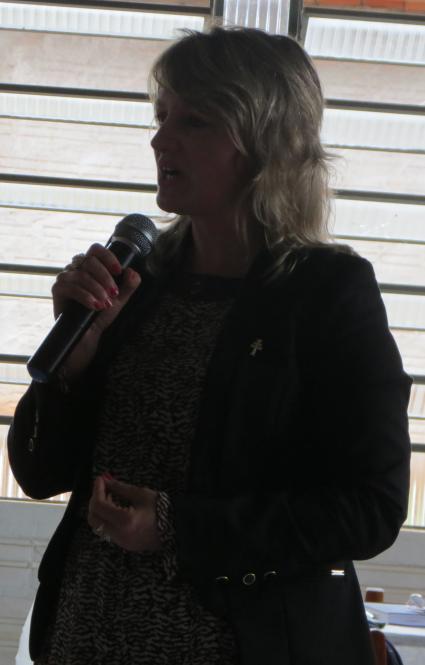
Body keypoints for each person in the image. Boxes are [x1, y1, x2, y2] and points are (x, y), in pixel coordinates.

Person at [8, 25, 411, 665]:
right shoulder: (136, 277)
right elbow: (38, 473)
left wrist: (178, 526)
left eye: (193, 120)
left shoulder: (327, 293)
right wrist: (68, 373)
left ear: (265, 144)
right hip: (89, 635)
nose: (160, 139)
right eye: (161, 115)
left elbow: (371, 509)